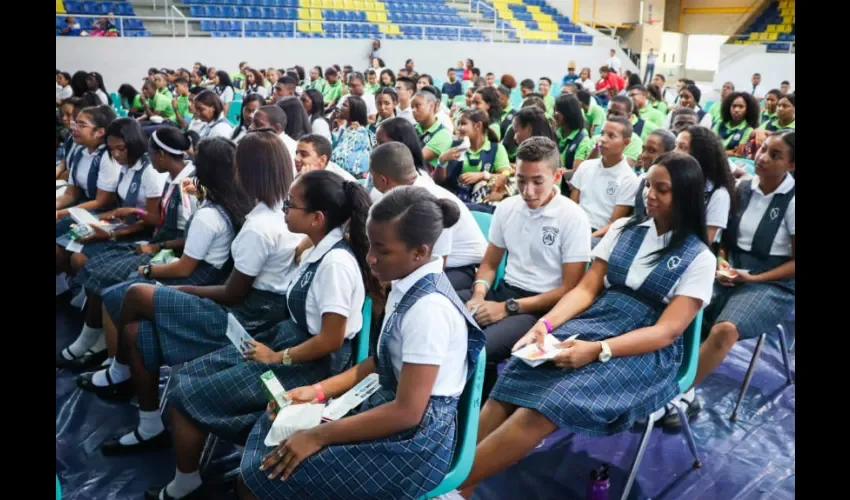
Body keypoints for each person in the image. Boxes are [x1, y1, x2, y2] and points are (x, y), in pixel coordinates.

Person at [454, 152, 715, 498]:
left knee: (552, 401)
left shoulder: (700, 257)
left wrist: (598, 351)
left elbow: (667, 332)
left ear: (685, 195)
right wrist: (544, 327)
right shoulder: (625, 229)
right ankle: (459, 481)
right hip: (599, 321)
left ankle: (451, 485)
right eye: (648, 184)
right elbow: (588, 289)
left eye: (662, 189)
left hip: (644, 350)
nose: (650, 194)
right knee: (520, 372)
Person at [141, 170, 379, 500]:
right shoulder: (319, 248)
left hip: (311, 361)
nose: (284, 209)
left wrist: (276, 357)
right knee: (191, 376)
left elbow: (331, 340)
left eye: (290, 205)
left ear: (316, 218)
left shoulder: (335, 264)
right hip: (290, 342)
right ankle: (193, 473)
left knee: (187, 394)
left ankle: (186, 484)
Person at [75, 132, 302, 457]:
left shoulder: (260, 226)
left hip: (245, 317)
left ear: (249, 172)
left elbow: (233, 292)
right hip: (244, 304)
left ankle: (118, 370)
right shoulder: (269, 211)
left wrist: (181, 290)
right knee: (136, 331)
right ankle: (150, 426)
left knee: (137, 295)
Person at [664, 131, 795, 428]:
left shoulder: (792, 200)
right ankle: (677, 382)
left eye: (775, 155)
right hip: (733, 271)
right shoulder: (742, 188)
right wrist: (722, 259)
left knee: (724, 329)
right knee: (679, 301)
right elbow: (724, 240)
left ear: (792, 165)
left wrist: (753, 277)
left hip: (772, 284)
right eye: (763, 149)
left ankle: (676, 393)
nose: (762, 157)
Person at [459, 137, 591, 400]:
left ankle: (476, 415)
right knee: (442, 311)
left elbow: (569, 289)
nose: (528, 190)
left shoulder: (573, 218)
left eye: (537, 181)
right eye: (521, 180)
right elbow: (489, 264)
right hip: (505, 293)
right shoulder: (507, 208)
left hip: (542, 308)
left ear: (557, 176)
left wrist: (508, 308)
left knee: (478, 346)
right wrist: (478, 296)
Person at [370, 142, 487, 290]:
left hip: (459, 268)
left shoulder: (427, 201)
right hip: (428, 261)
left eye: (372, 175)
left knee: (411, 293)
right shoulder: (406, 191)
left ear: (383, 180)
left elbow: (438, 263)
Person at [570, 116, 640, 245]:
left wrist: (588, 238)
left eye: (611, 136)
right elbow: (572, 207)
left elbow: (614, 224)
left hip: (599, 235)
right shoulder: (586, 167)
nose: (602, 139)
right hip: (575, 225)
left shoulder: (629, 179)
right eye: (602, 133)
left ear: (626, 142)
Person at [413, 90, 453, 172]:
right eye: (412, 107)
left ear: (431, 106)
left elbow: (418, 159)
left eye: (417, 106)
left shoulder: (443, 134)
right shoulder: (412, 128)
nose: (413, 110)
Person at [713, 92, 760, 158]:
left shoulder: (748, 130)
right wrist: (729, 152)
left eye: (741, 107)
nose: (736, 110)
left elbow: (738, 153)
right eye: (734, 106)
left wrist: (716, 152)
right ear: (729, 107)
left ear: (747, 110)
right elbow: (710, 145)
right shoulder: (719, 124)